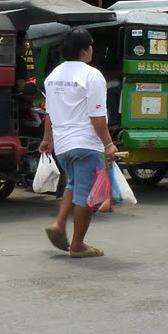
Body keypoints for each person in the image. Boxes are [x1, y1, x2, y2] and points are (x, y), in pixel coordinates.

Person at [39, 27, 117, 259]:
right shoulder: (92, 75)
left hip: (63, 146)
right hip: (85, 143)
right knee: (85, 195)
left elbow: (50, 114)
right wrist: (109, 144)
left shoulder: (52, 77)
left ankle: (59, 224)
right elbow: (97, 117)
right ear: (86, 50)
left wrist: (47, 139)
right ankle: (78, 245)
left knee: (72, 185)